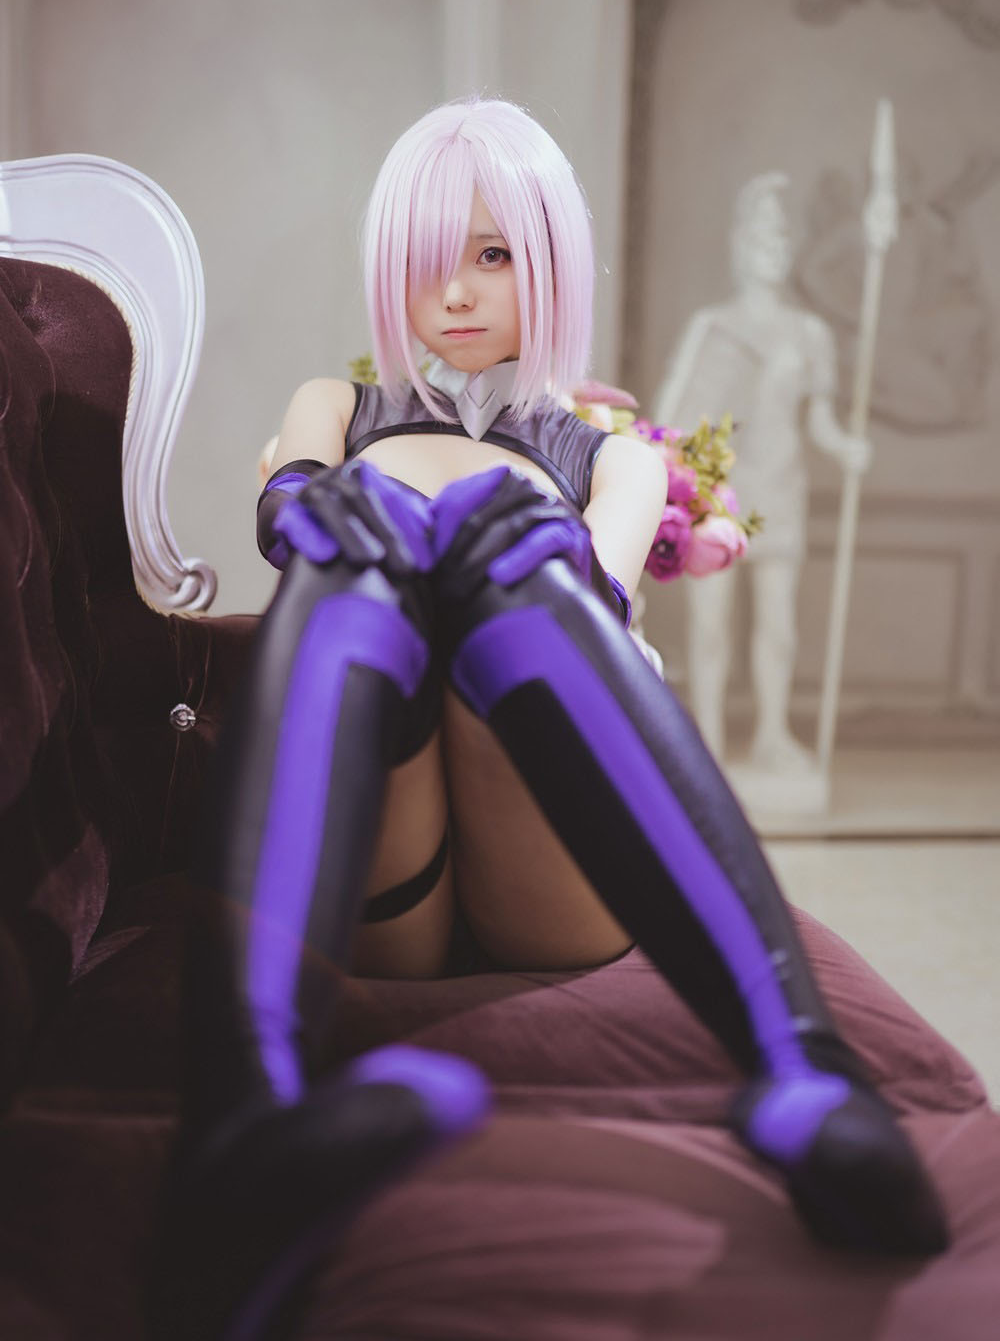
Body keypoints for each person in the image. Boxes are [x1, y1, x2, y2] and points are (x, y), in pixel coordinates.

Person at [153, 100, 947, 1341]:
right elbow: (288, 496)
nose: (455, 290)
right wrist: (319, 512)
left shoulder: (613, 458)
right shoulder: (333, 405)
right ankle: (245, 1118)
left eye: (493, 253)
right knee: (348, 553)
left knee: (520, 561)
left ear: (551, 260)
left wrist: (514, 545)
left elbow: (603, 596)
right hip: (390, 858)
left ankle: (806, 1072)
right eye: (428, 256)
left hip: (550, 858)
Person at [654, 173, 871, 769]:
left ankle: (772, 734)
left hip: (779, 485)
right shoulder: (711, 325)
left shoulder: (810, 334)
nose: (770, 248)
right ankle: (708, 741)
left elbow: (820, 422)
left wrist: (847, 448)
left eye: (779, 237)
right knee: (712, 623)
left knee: (778, 625)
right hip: (715, 488)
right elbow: (670, 408)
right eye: (759, 236)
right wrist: (660, 456)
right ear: (739, 245)